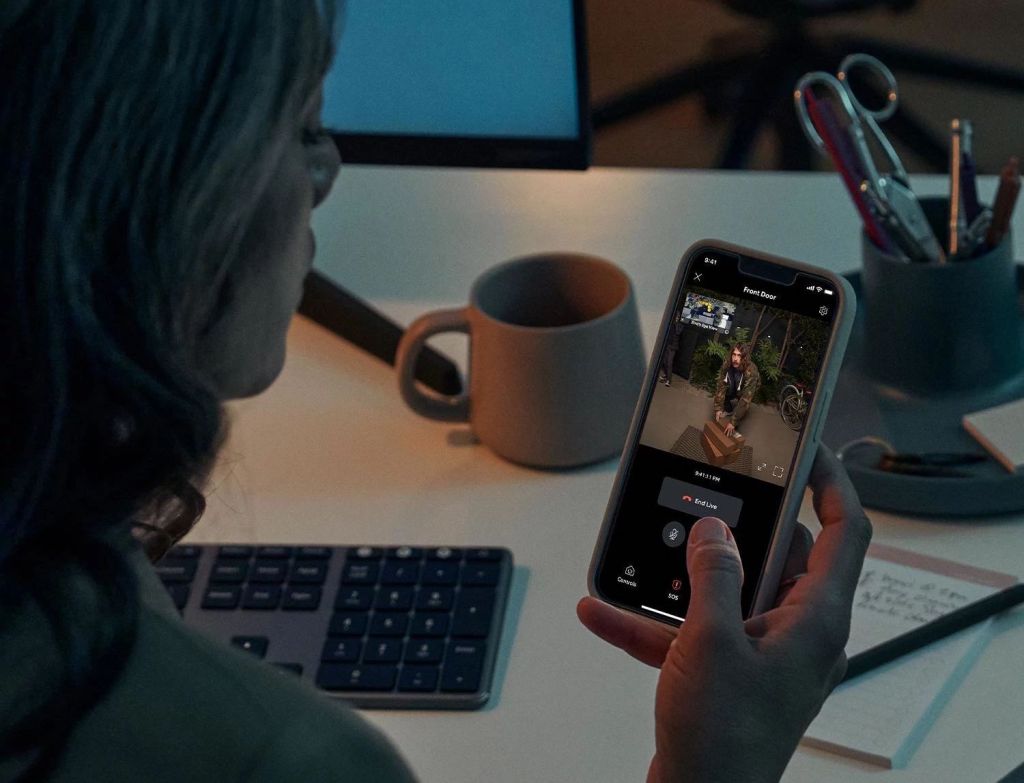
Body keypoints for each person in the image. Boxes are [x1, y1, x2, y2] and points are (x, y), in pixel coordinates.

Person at [0, 2, 872, 781]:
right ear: (171, 197)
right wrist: (719, 765)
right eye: (298, 124)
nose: (328, 169)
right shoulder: (283, 757)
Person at [714, 342, 761, 437]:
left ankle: (735, 421)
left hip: (748, 387)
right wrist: (718, 408)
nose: (735, 359)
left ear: (744, 357)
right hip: (734, 383)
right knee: (725, 391)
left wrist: (733, 422)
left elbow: (745, 399)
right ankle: (729, 410)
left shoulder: (751, 371)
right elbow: (721, 385)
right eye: (734, 355)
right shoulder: (727, 364)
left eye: (739, 356)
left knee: (742, 402)